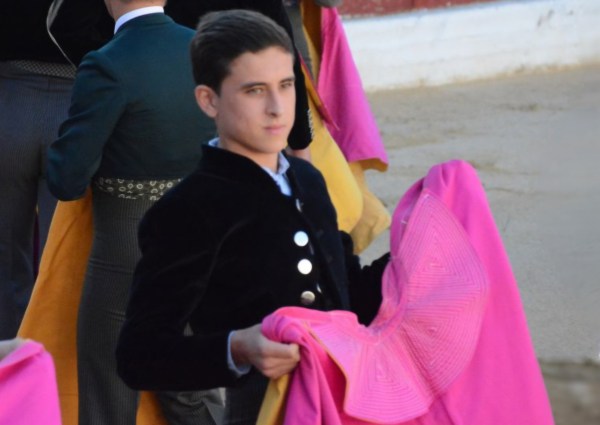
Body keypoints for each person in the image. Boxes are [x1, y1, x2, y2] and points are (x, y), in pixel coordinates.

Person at [115, 9, 389, 425]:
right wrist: (237, 347)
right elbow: (139, 354)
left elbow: (346, 295)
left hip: (346, 399)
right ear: (209, 100)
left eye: (286, 85)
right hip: (262, 411)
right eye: (254, 91)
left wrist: (411, 262)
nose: (277, 108)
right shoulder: (188, 209)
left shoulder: (308, 180)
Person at [46, 0, 223, 424]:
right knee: (187, 380)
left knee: (109, 378)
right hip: (202, 230)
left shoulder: (107, 63)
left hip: (128, 240)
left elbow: (67, 179)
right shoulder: (205, 49)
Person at [0, 0, 75, 340]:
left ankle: (9, 354)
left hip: (11, 96)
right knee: (60, 256)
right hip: (80, 100)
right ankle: (47, 356)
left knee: (5, 252)